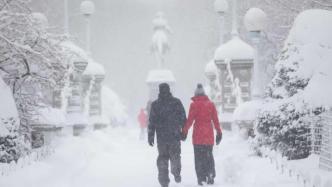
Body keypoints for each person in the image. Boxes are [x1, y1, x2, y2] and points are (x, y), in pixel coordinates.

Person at [182, 84, 222, 186]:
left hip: (198, 137)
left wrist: (184, 132)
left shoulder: (194, 105)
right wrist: (219, 132)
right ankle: (210, 174)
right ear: (204, 94)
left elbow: (190, 120)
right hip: (208, 135)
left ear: (195, 94)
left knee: (199, 159)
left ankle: (201, 178)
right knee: (209, 156)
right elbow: (215, 120)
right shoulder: (210, 104)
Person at [148, 83, 186, 187]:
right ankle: (176, 172)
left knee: (163, 158)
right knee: (175, 156)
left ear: (159, 91)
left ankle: (164, 181)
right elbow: (183, 118)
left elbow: (152, 122)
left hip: (162, 138)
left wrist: (150, 136)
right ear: (169, 90)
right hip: (174, 136)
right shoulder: (176, 102)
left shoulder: (155, 105)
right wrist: (184, 132)